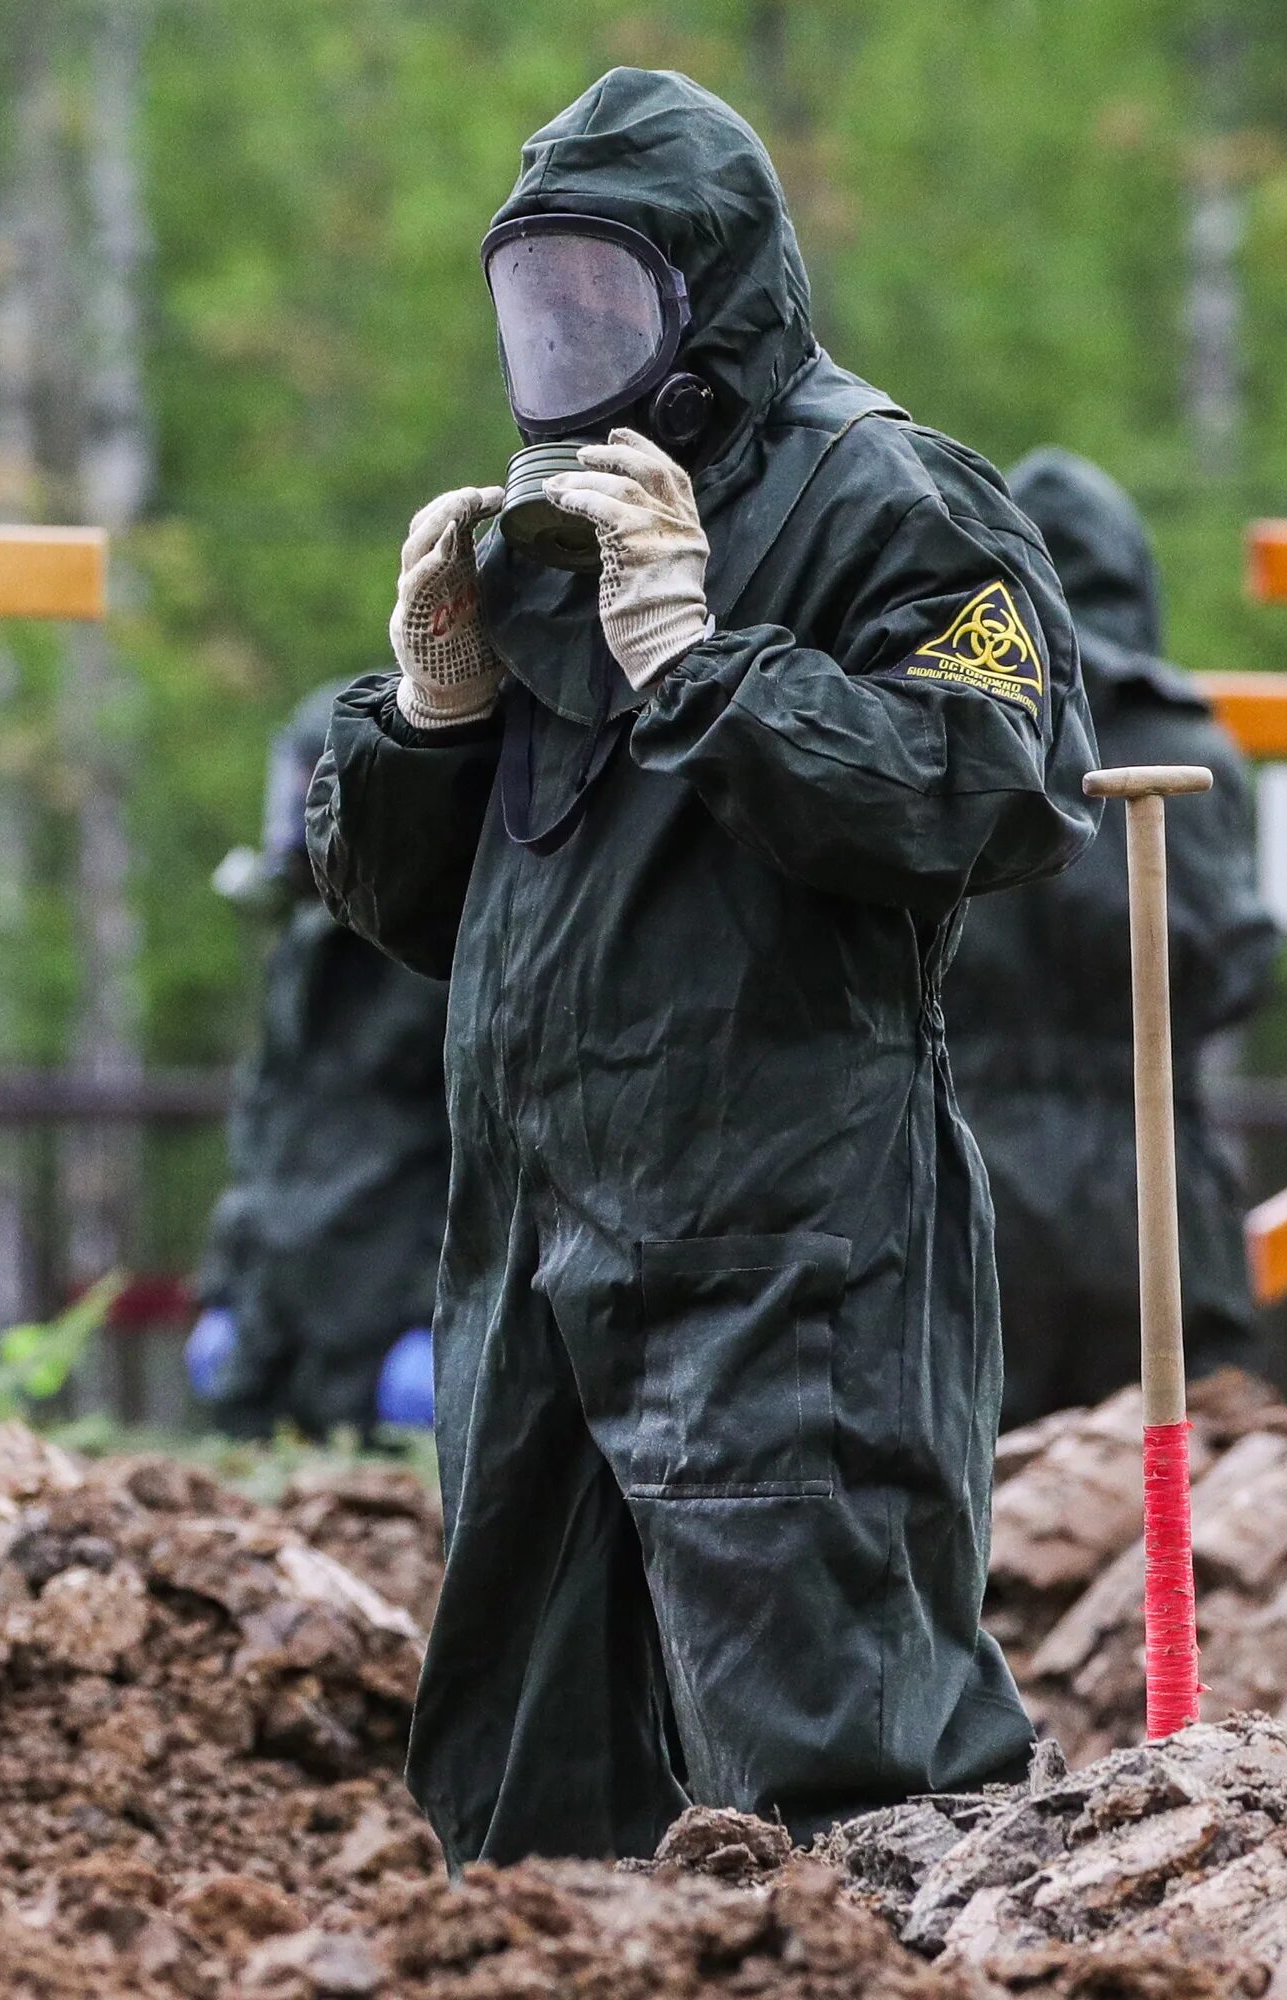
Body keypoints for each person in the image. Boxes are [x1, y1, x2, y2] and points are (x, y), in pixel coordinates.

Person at [308, 69, 1098, 1865]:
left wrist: (706, 661)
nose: (569, 341)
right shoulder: (558, 532)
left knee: (845, 1762)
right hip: (538, 1243)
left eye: (611, 294)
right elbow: (428, 915)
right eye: (540, 300)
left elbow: (990, 791)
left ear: (716, 291)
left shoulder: (887, 497)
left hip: (785, 1241)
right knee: (524, 1779)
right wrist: (427, 718)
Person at [955, 450, 1278, 1427]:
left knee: (976, 1512)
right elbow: (1235, 967)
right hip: (1151, 1185)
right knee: (1179, 1503)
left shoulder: (937, 732)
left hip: (970, 1189)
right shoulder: (1186, 739)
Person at [191, 678, 453, 1439]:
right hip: (283, 1332)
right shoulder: (305, 953)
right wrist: (226, 1292)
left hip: (398, 1339)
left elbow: (491, 1159)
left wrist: (440, 1318)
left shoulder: (452, 954)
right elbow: (265, 1129)